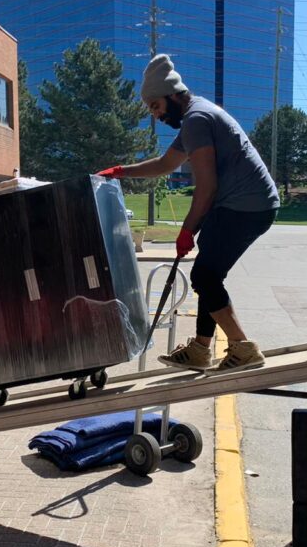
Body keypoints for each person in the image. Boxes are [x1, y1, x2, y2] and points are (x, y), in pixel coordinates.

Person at [96, 54, 280, 373]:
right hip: (240, 204)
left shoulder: (196, 120)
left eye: (156, 106)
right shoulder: (196, 116)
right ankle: (200, 349)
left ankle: (243, 348)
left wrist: (187, 230)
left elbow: (206, 185)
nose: (155, 115)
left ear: (171, 95)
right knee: (209, 275)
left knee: (205, 276)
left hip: (246, 205)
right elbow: (166, 164)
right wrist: (121, 171)